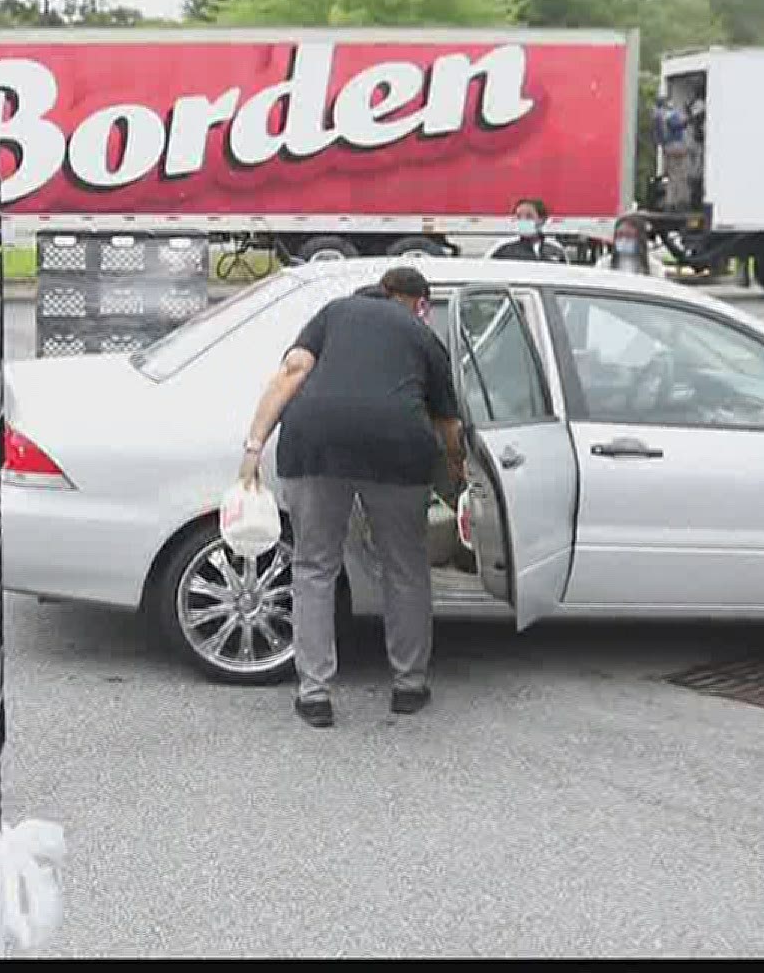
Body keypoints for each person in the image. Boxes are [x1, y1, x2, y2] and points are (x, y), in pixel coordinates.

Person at [236, 265, 466, 729]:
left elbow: (292, 371)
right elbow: (449, 424)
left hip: (316, 442)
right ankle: (409, 686)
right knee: (404, 567)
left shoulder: (333, 314)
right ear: (411, 301)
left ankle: (314, 694)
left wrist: (254, 446)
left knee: (315, 567)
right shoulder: (421, 335)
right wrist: (457, 472)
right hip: (397, 449)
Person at [488, 198, 568, 263]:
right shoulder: (503, 248)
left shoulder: (555, 248)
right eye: (519, 216)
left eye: (529, 216)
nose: (523, 221)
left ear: (542, 220)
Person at [597, 214, 665, 277]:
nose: (624, 239)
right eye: (620, 235)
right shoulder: (604, 263)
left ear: (640, 238)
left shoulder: (654, 267)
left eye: (629, 235)